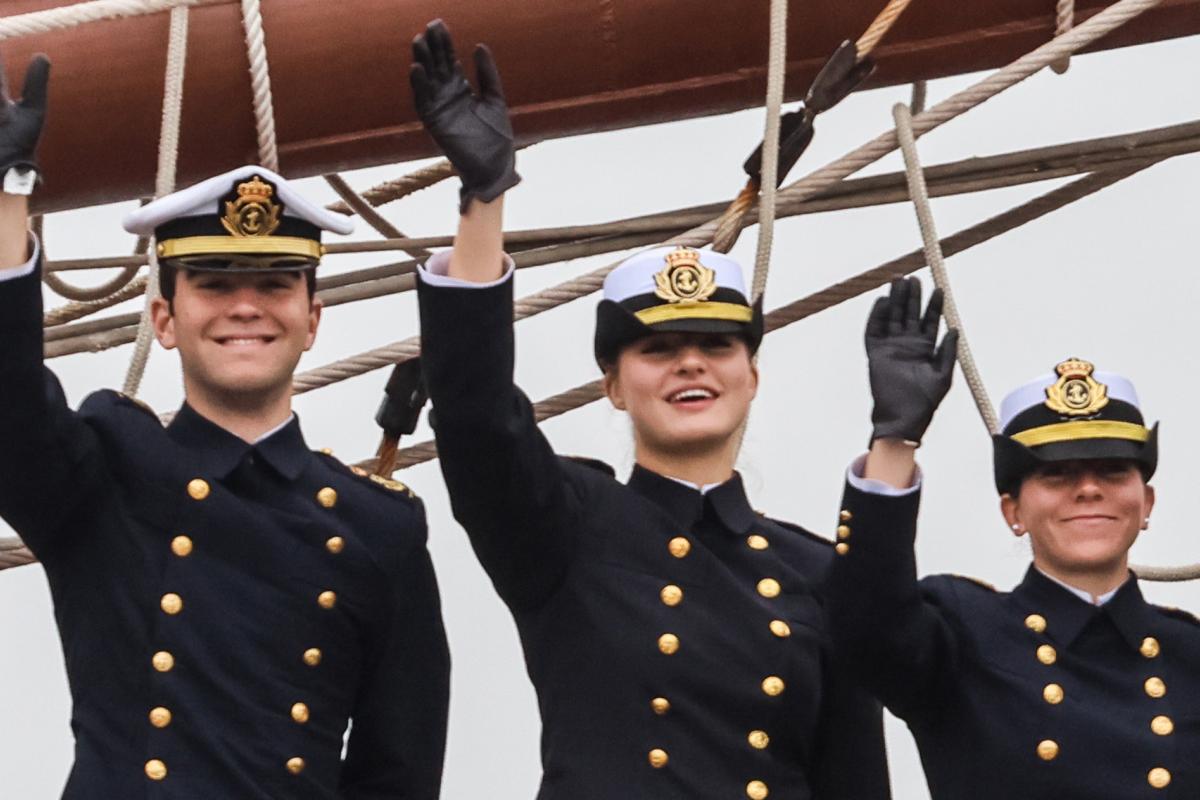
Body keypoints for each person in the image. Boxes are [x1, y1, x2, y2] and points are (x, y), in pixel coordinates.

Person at [409, 19, 890, 799]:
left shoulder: (815, 575)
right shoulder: (566, 527)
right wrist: (483, 200)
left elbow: (854, 784)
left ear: (752, 375)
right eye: (659, 350)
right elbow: (474, 415)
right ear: (613, 383)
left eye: (715, 345)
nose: (690, 362)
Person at [0, 55, 449, 798]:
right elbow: (7, 399)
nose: (246, 307)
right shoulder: (102, 477)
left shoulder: (381, 528)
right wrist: (10, 195)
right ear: (164, 320)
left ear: (312, 320)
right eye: (214, 284)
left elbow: (398, 776)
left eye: (274, 284)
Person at [826, 277, 1200, 798]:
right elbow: (865, 630)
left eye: (1113, 472)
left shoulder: (1190, 652)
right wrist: (895, 438)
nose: (1088, 489)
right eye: (1058, 475)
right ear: (1013, 511)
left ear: (1147, 506)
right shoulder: (964, 633)